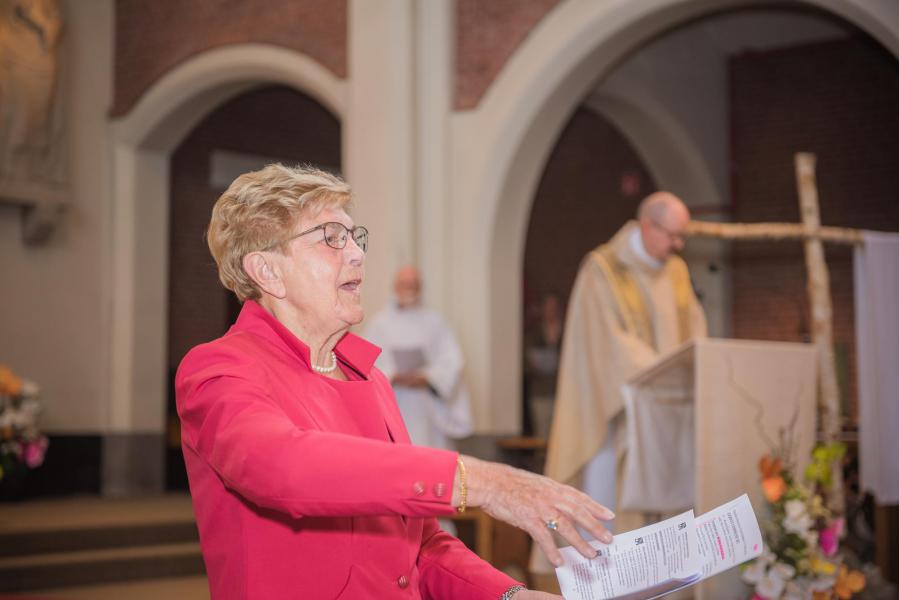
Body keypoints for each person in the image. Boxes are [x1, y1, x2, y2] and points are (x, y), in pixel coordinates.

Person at [176, 164, 615, 600]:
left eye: (353, 236)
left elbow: (419, 544)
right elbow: (284, 468)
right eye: (331, 237)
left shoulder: (369, 379)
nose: (356, 253)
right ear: (267, 271)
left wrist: (511, 597)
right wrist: (482, 482)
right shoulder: (219, 370)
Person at [532, 192, 707, 577]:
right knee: (609, 512)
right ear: (647, 226)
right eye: (673, 236)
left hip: (668, 414)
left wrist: (695, 366)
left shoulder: (676, 271)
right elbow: (608, 343)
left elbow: (695, 330)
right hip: (613, 414)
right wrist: (663, 372)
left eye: (682, 237)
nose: (678, 245)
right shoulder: (603, 269)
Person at [365, 265, 473, 452]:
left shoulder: (435, 322)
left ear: (420, 288)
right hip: (394, 401)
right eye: (404, 284)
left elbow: (452, 360)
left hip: (426, 406)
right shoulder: (379, 325)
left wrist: (428, 377)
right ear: (395, 287)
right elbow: (366, 363)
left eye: (413, 285)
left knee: (428, 454)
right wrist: (392, 375)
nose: (409, 289)